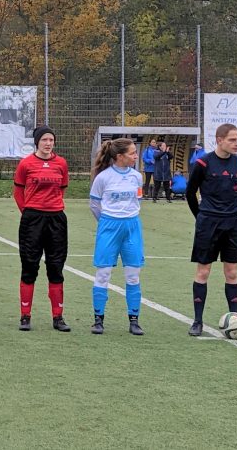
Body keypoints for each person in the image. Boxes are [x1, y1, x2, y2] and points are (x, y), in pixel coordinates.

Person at [186, 123, 237, 338]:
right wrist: (202, 216)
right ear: (219, 140)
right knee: (203, 271)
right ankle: (197, 321)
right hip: (208, 224)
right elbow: (190, 193)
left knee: (232, 272)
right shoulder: (203, 163)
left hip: (233, 224)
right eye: (232, 140)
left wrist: (232, 212)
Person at [13, 126, 71, 332]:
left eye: (51, 140)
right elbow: (18, 192)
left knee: (55, 267)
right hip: (32, 219)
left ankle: (58, 317)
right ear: (37, 142)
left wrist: (51, 208)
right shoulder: (26, 164)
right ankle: (25, 316)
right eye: (45, 140)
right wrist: (29, 212)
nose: (48, 143)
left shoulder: (61, 163)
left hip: (56, 219)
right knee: (29, 267)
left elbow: (62, 189)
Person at [88, 139, 145, 336]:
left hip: (132, 227)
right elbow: (95, 205)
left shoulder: (137, 177)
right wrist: (106, 223)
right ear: (120, 156)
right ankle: (98, 320)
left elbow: (138, 200)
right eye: (132, 153)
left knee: (133, 275)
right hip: (109, 227)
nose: (135, 156)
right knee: (103, 273)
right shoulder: (103, 178)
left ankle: (134, 320)